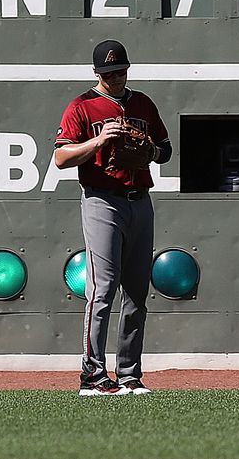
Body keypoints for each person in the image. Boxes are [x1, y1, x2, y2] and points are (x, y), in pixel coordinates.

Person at [53, 39, 172, 396]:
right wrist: (99, 142)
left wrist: (149, 149)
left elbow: (165, 149)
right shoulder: (82, 107)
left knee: (137, 293)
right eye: (108, 73)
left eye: (120, 71)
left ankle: (130, 374)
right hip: (102, 201)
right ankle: (92, 376)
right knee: (102, 291)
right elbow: (61, 158)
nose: (116, 77)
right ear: (96, 73)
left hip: (140, 199)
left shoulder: (143, 104)